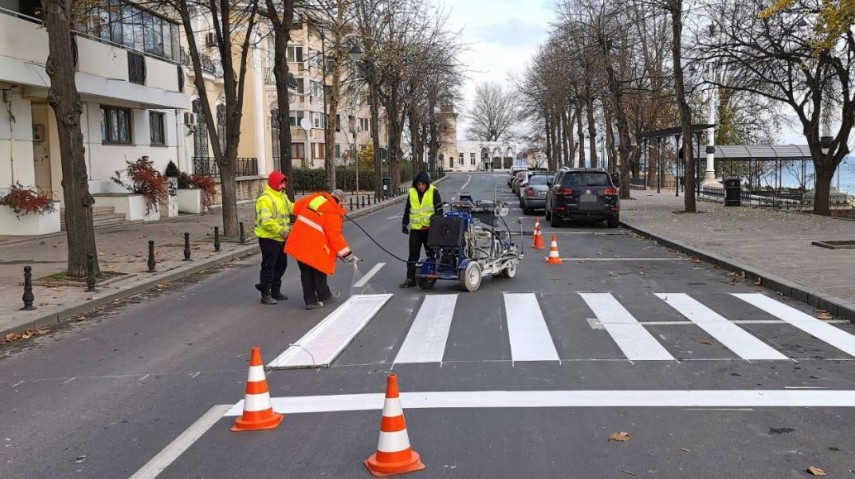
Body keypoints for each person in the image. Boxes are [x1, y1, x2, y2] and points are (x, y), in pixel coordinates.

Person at [285, 189, 359, 310]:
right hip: (313, 245)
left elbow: (296, 208)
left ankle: (317, 298)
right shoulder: (332, 212)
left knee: (306, 272)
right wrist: (348, 255)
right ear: (340, 201)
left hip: (299, 241)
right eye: (342, 204)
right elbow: (334, 236)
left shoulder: (315, 198)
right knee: (319, 269)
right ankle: (318, 298)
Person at [254, 171, 293, 305]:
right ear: (274, 183)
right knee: (269, 266)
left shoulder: (282, 196)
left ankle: (276, 291)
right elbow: (266, 221)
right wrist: (280, 230)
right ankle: (265, 294)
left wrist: (305, 208)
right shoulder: (265, 199)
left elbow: (291, 208)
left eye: (284, 183)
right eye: (281, 183)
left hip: (281, 238)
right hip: (269, 238)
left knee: (281, 265)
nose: (283, 186)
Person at [399, 171, 443, 288]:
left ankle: (432, 274)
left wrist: (437, 219)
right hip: (416, 229)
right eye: (419, 184)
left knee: (431, 253)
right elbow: (408, 209)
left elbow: (439, 210)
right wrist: (404, 224)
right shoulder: (412, 193)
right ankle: (410, 278)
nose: (421, 187)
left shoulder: (433, 191)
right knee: (413, 254)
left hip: (429, 229)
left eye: (423, 184)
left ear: (427, 184)